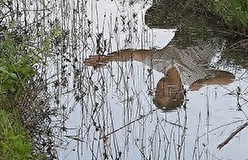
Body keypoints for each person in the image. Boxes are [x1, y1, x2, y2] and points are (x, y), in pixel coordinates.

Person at [85, 34, 234, 111]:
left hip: (190, 23)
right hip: (213, 32)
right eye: (163, 93)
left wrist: (108, 58)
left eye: (157, 92)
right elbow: (230, 77)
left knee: (152, 19)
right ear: (179, 93)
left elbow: (133, 54)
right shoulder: (195, 77)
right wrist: (204, 82)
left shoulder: (158, 63)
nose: (159, 88)